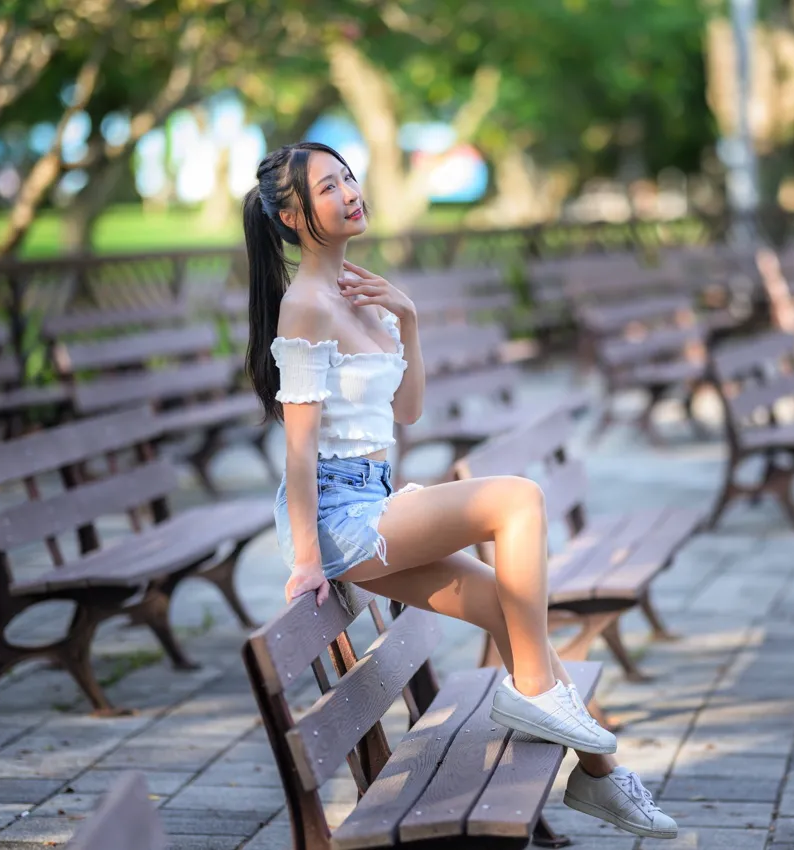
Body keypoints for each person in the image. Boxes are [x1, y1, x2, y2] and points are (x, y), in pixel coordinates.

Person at [243, 142, 677, 840]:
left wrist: (407, 317)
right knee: (518, 498)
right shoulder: (306, 306)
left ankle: (598, 777)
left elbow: (407, 412)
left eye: (349, 176)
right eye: (329, 186)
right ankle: (539, 700)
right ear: (294, 215)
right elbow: (297, 449)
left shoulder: (361, 294)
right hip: (340, 516)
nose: (351, 190)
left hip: (375, 498)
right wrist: (303, 559)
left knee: (511, 614)